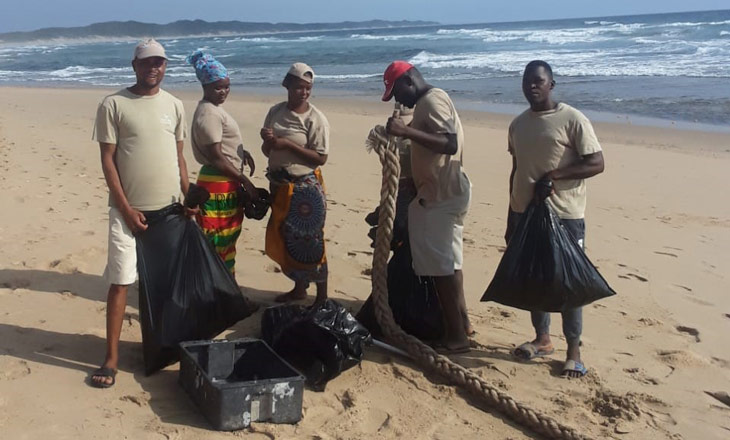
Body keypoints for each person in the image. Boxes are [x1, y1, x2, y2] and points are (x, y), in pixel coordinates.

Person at [90, 39, 193, 388]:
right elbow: (107, 160)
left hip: (169, 211)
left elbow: (179, 157)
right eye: (147, 62)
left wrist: (188, 196)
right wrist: (125, 207)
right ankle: (111, 358)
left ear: (166, 66)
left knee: (166, 285)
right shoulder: (113, 104)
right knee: (120, 282)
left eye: (160, 62)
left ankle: (163, 347)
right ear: (134, 65)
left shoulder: (175, 105)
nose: (154, 68)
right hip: (126, 212)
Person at [507, 60, 605, 378]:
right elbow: (517, 170)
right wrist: (511, 214)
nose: (532, 86)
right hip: (525, 214)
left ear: (552, 84)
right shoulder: (517, 125)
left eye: (539, 81)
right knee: (535, 277)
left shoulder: (572, 119)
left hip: (565, 215)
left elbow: (596, 162)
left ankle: (573, 349)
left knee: (568, 282)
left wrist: (556, 175)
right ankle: (542, 339)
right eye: (527, 81)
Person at [382, 61, 472, 354]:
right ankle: (462, 323)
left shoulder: (431, 100)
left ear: (409, 81)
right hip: (441, 191)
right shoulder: (427, 103)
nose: (399, 101)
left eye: (397, 93)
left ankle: (456, 336)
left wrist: (406, 132)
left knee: (441, 268)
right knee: (451, 263)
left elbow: (448, 143)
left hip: (441, 195)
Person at [260, 63, 330, 305]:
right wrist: (268, 142)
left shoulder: (315, 119)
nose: (304, 92)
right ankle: (299, 289)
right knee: (290, 238)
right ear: (286, 85)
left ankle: (322, 297)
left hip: (305, 187)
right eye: (299, 87)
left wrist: (287, 145)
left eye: (308, 88)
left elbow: (320, 158)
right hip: (280, 184)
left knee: (312, 241)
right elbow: (267, 150)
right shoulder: (275, 112)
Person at [187, 50, 257, 274]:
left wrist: (240, 152)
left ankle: (227, 290)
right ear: (205, 86)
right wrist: (245, 180)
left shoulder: (214, 110)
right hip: (219, 184)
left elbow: (220, 145)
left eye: (227, 86)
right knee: (219, 239)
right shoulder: (209, 114)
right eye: (218, 87)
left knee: (226, 239)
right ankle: (222, 293)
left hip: (224, 181)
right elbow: (216, 157)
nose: (224, 91)